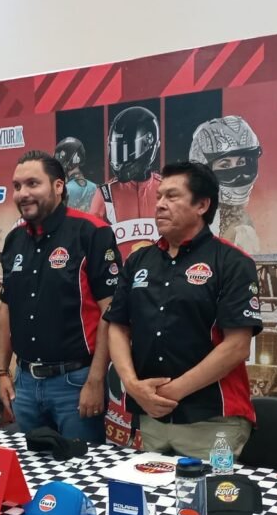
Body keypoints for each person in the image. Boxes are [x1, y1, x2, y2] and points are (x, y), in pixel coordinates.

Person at [106, 161, 262, 460]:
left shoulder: (232, 262)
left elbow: (237, 347)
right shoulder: (138, 261)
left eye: (172, 196)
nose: (160, 205)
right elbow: (117, 326)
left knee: (204, 492)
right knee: (149, 491)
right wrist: (132, 386)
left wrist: (168, 393)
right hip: (151, 418)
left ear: (202, 205)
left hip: (212, 422)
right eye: (159, 196)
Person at [0, 150, 121, 442]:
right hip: (24, 384)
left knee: (80, 467)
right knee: (28, 467)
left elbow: (111, 311)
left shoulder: (91, 232)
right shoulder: (14, 239)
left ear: (58, 186)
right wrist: (1, 371)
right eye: (17, 186)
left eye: (32, 184)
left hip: (75, 384)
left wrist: (96, 380)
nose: (23, 193)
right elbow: (6, 307)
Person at [89, 105, 163, 260]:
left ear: (148, 144)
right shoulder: (105, 194)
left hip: (163, 272)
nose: (121, 159)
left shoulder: (166, 189)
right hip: (121, 273)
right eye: (118, 150)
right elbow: (91, 245)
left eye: (127, 149)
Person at [188, 115, 262, 254]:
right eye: (225, 165)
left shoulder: (242, 227)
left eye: (241, 162)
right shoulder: (189, 214)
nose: (238, 173)